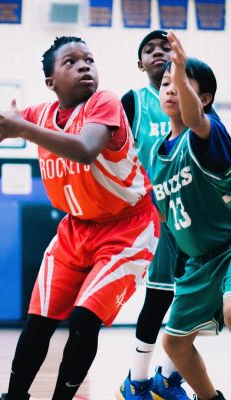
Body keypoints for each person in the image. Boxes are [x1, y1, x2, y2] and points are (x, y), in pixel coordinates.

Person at [0, 36, 160, 400]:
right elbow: (3, 120)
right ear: (51, 82)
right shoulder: (40, 115)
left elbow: (86, 150)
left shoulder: (103, 102)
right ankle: (14, 397)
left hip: (128, 227)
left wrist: (21, 128)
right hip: (76, 228)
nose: (84, 66)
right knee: (39, 319)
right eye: (71, 62)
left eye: (89, 59)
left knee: (84, 319)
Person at [148, 31, 231, 400]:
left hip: (229, 247)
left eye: (180, 83)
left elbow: (195, 118)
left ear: (205, 97)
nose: (170, 88)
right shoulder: (155, 153)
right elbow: (165, 218)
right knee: (175, 344)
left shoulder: (207, 133)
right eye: (165, 83)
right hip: (199, 261)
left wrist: (179, 70)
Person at [118, 30, 190, 400]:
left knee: (194, 300)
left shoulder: (194, 104)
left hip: (194, 218)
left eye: (165, 47)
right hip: (156, 216)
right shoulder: (134, 102)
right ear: (140, 63)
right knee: (160, 298)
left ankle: (168, 377)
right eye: (150, 49)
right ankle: (137, 379)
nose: (159, 52)